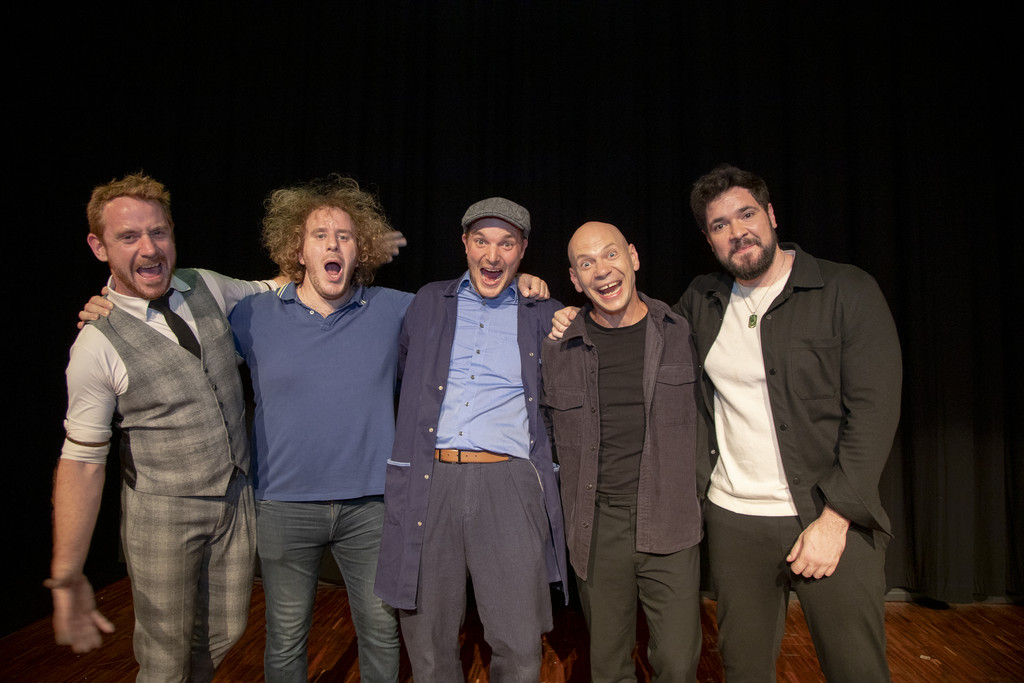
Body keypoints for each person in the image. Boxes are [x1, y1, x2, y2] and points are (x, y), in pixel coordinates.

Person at [51, 173, 279, 681]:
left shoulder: (205, 284)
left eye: (158, 232)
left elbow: (274, 288)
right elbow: (82, 461)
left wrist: (346, 251)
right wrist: (66, 572)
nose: (149, 249)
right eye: (128, 237)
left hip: (235, 498)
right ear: (99, 247)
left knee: (225, 631)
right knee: (164, 655)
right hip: (163, 513)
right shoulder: (95, 343)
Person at [677, 164, 901, 681]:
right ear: (708, 239)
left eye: (747, 214)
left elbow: (874, 413)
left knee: (857, 669)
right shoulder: (702, 301)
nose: (737, 232)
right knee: (744, 669)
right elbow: (641, 330)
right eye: (719, 225)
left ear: (771, 214)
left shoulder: (846, 290)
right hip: (734, 520)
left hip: (829, 516)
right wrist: (568, 312)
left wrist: (836, 520)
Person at [374, 197, 568, 682]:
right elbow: (404, 373)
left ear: (522, 250)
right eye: (482, 241)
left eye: (506, 244)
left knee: (520, 646)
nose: (492, 255)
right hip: (429, 479)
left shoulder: (544, 312)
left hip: (509, 482)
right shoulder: (427, 302)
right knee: (428, 643)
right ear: (465, 243)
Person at [227, 176, 407, 682]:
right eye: (320, 235)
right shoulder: (252, 315)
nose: (333, 245)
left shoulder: (393, 309)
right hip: (283, 505)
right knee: (285, 636)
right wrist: (113, 302)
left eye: (345, 236)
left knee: (381, 629)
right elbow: (185, 331)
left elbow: (467, 306)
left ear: (359, 250)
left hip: (371, 507)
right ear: (297, 250)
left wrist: (525, 284)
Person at [541, 221, 702, 682]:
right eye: (586, 263)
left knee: (677, 663)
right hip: (596, 525)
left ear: (633, 256)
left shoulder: (681, 331)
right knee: (609, 666)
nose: (601, 271)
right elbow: (547, 430)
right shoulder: (559, 347)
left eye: (610, 255)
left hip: (670, 518)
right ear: (575, 280)